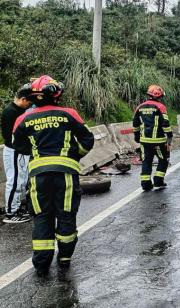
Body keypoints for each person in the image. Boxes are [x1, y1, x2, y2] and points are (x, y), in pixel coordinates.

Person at [12, 75, 94, 275]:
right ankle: (64, 258)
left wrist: (36, 152)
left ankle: (41, 265)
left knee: (42, 217)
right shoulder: (69, 114)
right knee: (65, 216)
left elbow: (18, 144)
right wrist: (74, 155)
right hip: (65, 174)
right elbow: (87, 140)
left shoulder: (23, 118)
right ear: (56, 94)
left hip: (38, 176)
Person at [1, 84, 33, 223]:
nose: (30, 105)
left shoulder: (18, 109)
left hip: (20, 152)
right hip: (14, 151)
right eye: (29, 102)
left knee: (21, 181)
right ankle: (11, 213)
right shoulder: (11, 112)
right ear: (23, 99)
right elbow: (11, 136)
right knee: (14, 182)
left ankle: (17, 207)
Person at [132, 85, 172, 191]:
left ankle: (146, 184)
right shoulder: (161, 107)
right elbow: (165, 123)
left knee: (146, 161)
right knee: (163, 160)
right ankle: (158, 181)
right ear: (160, 96)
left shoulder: (140, 107)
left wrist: (137, 137)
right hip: (159, 141)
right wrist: (169, 136)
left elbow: (135, 123)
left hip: (144, 141)